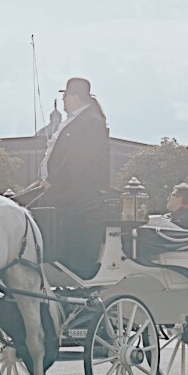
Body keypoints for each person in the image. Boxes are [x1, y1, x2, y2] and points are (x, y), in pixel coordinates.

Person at [38, 77, 110, 278]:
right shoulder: (80, 121)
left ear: (75, 97)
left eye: (65, 96)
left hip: (77, 200)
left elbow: (77, 161)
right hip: (65, 194)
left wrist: (53, 180)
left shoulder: (90, 123)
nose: (63, 101)